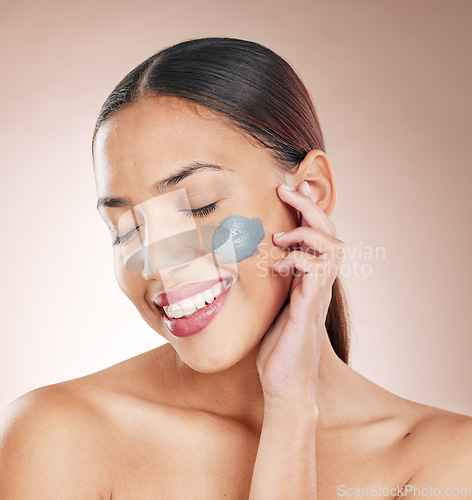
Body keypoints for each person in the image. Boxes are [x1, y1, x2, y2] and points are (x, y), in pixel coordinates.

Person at [1, 36, 471, 499]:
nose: (158, 261)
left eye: (199, 206)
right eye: (126, 230)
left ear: (310, 190)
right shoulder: (59, 437)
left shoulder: (445, 463)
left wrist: (290, 410)